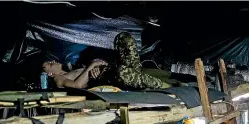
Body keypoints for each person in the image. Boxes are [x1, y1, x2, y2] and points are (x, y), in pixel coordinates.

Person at [42, 32, 171, 90]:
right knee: (123, 72)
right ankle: (167, 87)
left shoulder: (70, 68)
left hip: (109, 69)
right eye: (48, 64)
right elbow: (78, 86)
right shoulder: (58, 79)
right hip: (108, 78)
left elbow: (86, 74)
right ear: (50, 73)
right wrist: (91, 66)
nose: (51, 61)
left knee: (124, 38)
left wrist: (94, 66)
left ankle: (136, 74)